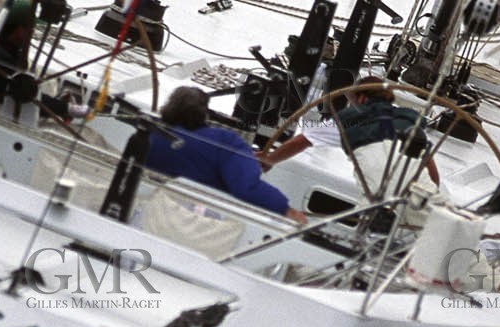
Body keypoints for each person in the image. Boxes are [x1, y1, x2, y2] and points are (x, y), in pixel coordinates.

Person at [145, 87, 305, 223]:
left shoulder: (150, 134)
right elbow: (246, 187)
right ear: (204, 113)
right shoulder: (226, 141)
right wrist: (286, 209)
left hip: (148, 212)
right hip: (198, 223)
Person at [260, 76, 440, 184]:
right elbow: (427, 159)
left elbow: (301, 141)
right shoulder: (406, 118)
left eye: (352, 101)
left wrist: (269, 160)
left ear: (361, 99)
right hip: (416, 187)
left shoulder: (352, 119)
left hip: (378, 186)